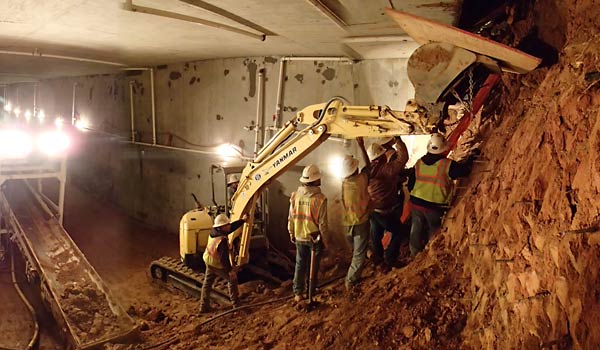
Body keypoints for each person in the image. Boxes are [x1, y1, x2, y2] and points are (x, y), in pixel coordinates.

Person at [406, 133, 474, 255]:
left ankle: (414, 253)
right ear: (444, 148)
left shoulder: (419, 162)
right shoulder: (447, 164)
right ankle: (430, 253)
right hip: (434, 206)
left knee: (416, 228)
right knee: (434, 229)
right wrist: (471, 159)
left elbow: (411, 184)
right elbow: (464, 171)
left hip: (416, 202)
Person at [359, 138, 409, 271]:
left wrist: (361, 146)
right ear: (381, 156)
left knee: (376, 236)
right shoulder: (386, 169)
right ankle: (390, 259)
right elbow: (403, 158)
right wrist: (398, 140)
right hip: (385, 211)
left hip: (373, 210)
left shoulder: (366, 172)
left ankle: (378, 260)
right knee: (399, 232)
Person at [288, 164, 327, 302]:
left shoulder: (295, 196)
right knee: (313, 266)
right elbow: (322, 224)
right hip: (314, 237)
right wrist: (326, 241)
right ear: (315, 181)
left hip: (299, 236)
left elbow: (291, 217)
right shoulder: (320, 199)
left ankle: (298, 293)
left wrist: (291, 232)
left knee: (300, 264)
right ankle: (311, 290)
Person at [199, 212, 248, 313]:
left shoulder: (214, 231)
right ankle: (236, 305)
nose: (229, 226)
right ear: (222, 227)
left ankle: (203, 307)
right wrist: (230, 271)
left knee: (207, 283)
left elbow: (231, 228)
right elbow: (224, 259)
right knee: (232, 280)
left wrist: (242, 220)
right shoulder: (222, 240)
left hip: (208, 260)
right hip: (216, 263)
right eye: (227, 225)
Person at [340, 147, 371, 290]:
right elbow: (368, 166)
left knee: (356, 248)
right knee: (359, 255)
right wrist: (361, 145)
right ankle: (351, 281)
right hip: (360, 222)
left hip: (347, 224)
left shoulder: (344, 184)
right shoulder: (362, 180)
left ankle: (368, 253)